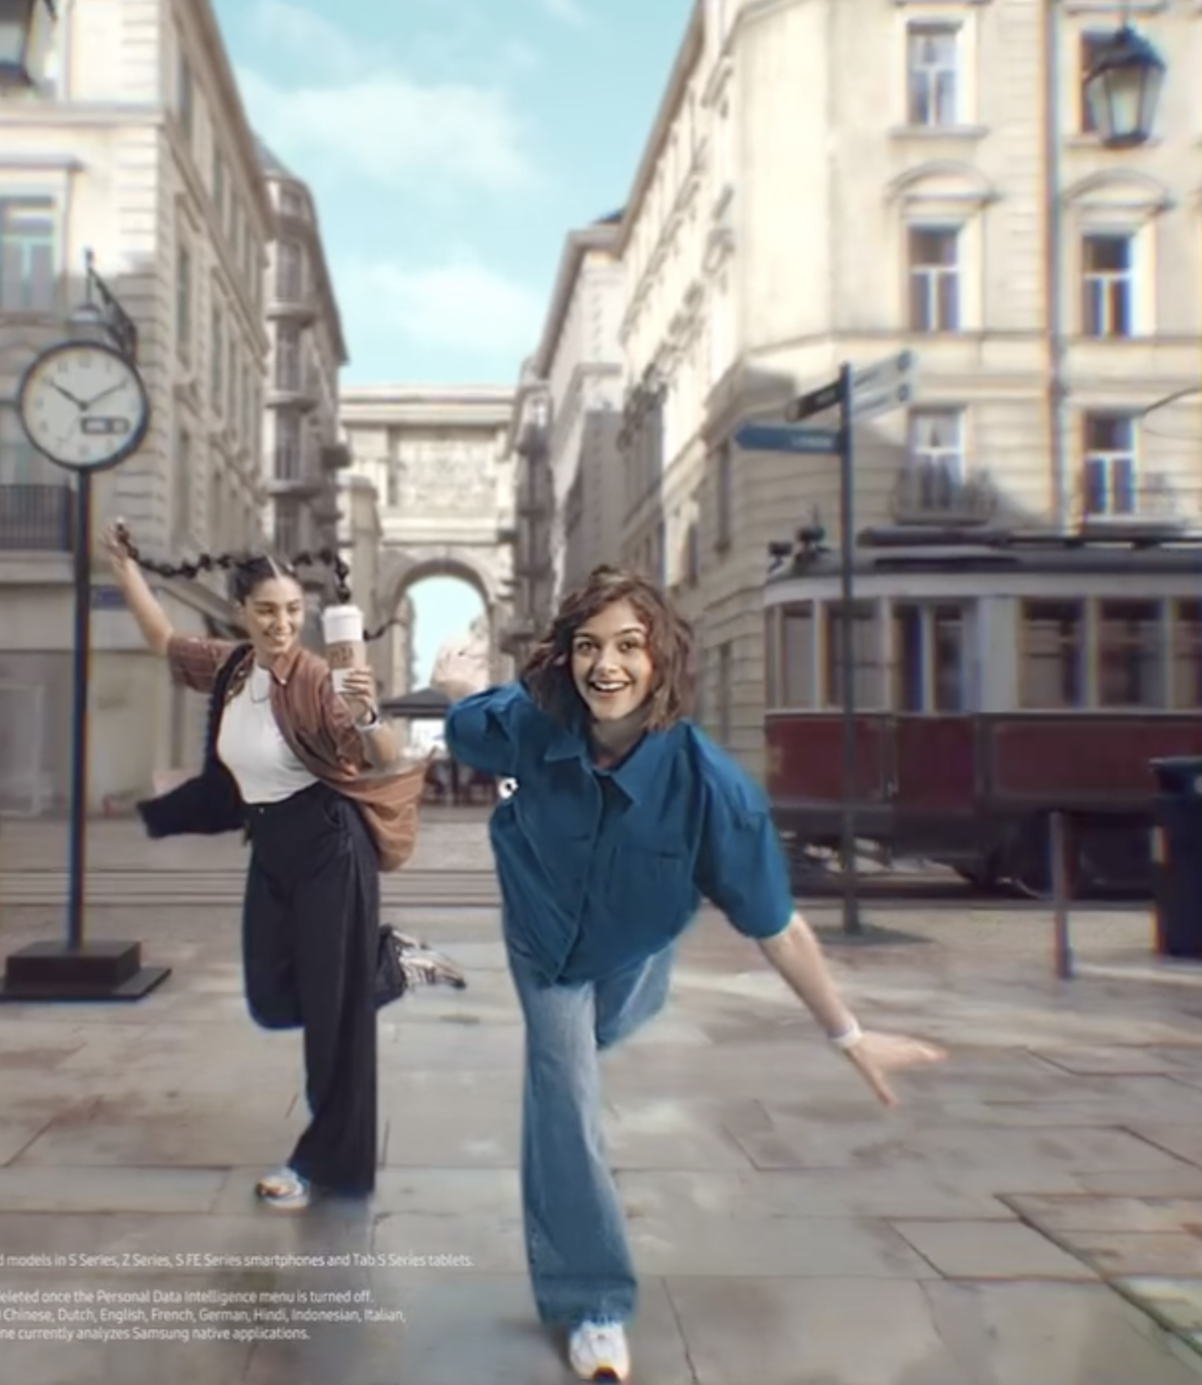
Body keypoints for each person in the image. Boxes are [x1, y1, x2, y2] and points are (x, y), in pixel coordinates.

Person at [444, 565, 947, 1383]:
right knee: (563, 1087)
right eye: (588, 646)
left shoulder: (713, 788)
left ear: (661, 659)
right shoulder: (528, 722)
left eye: (628, 646)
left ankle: (596, 1040)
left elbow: (779, 929)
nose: (607, 665)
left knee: (582, 1053)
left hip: (638, 945)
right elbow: (467, 721)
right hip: (544, 939)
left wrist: (848, 1034)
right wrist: (457, 687)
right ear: (567, 658)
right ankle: (594, 1301)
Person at [103, 519, 467, 1211]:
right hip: (271, 848)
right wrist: (124, 569)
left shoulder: (317, 678)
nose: (282, 624)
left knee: (335, 1024)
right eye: (268, 610)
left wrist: (365, 715)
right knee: (270, 998)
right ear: (241, 611)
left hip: (330, 846)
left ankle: (321, 1165)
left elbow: (385, 754)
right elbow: (162, 640)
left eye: (294, 611)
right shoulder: (232, 668)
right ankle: (392, 963)